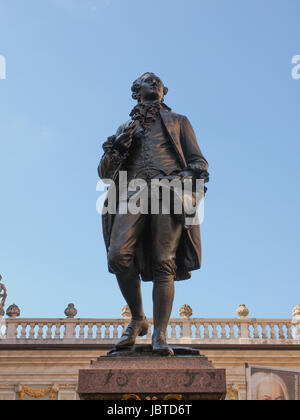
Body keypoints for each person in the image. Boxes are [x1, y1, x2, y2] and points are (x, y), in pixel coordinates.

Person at [98, 72, 209, 355]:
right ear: (137, 91)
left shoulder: (179, 122)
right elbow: (105, 174)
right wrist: (117, 149)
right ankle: (138, 318)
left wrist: (185, 179)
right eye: (149, 81)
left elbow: (198, 161)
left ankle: (159, 333)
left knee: (164, 261)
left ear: (164, 91)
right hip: (133, 191)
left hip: (167, 191)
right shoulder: (124, 128)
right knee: (117, 254)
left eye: (159, 82)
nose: (156, 84)